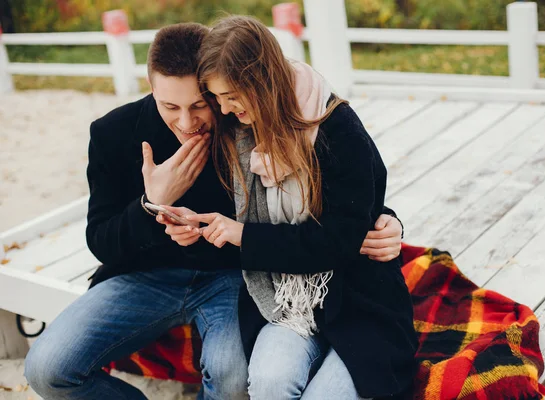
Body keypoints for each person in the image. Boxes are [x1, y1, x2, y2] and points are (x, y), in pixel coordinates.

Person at [23, 22, 405, 400]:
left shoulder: (238, 119)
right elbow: (100, 241)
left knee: (233, 379)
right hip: (145, 277)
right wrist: (151, 204)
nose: (188, 123)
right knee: (47, 369)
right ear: (151, 87)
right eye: (170, 106)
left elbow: (323, 180)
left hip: (230, 276)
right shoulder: (113, 133)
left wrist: (385, 217)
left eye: (199, 105)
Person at [161, 16, 418, 400]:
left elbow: (342, 233)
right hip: (283, 301)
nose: (225, 109)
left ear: (262, 79)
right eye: (217, 98)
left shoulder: (335, 126)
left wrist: (242, 234)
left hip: (356, 297)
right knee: (268, 385)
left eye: (231, 96)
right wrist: (160, 200)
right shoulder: (236, 130)